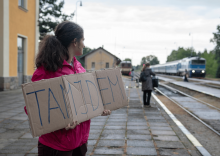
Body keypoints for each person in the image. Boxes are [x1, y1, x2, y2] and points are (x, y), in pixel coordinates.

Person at [24, 21, 111, 156]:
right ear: (75, 42)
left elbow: (84, 100)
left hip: (80, 142)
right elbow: (32, 108)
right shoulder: (47, 70)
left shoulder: (79, 68)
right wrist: (58, 121)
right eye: (83, 40)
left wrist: (99, 107)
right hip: (56, 146)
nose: (84, 44)